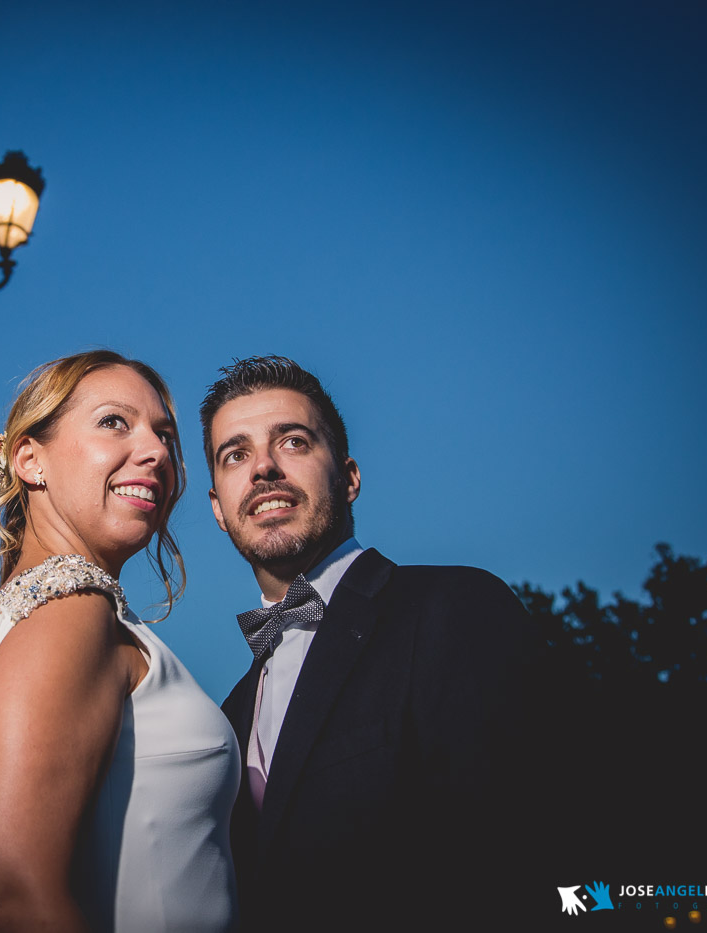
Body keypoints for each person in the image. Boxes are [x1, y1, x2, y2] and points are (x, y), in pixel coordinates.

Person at [199, 356, 552, 929]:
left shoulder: (452, 608)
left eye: (292, 442)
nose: (262, 467)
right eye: (234, 455)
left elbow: (526, 847)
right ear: (218, 508)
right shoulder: (228, 714)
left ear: (349, 476)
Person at [0, 350, 240, 933]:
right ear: (30, 460)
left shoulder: (39, 610)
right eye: (114, 421)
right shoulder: (70, 609)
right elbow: (10, 899)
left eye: (163, 433)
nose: (157, 450)